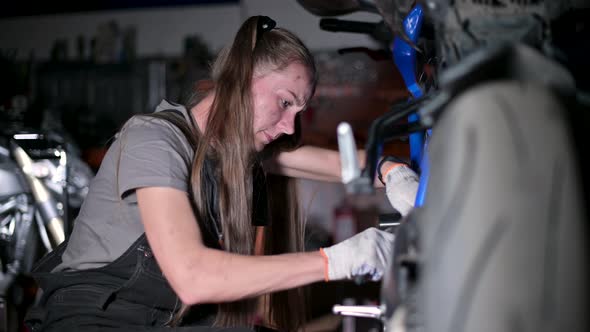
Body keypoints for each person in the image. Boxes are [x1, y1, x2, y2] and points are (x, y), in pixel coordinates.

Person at [26, 16, 416, 332]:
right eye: (284, 102)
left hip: (167, 320)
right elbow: (192, 277)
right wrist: (337, 261)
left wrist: (393, 170)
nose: (287, 127)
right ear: (240, 78)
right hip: (98, 320)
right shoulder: (154, 138)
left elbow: (338, 162)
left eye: (298, 113)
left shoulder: (231, 151)